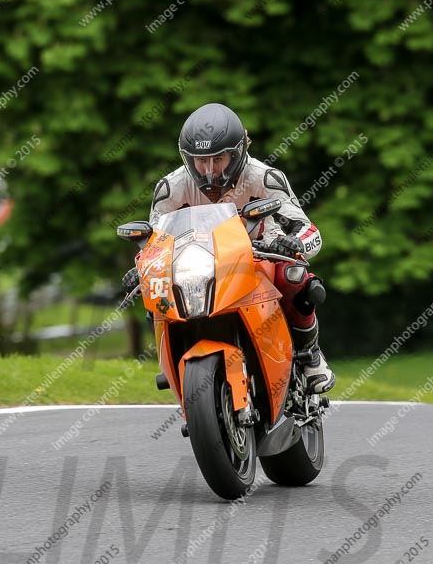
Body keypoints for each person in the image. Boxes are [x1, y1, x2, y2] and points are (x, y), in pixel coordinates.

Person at [123, 103, 334, 394]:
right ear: (188, 159)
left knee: (295, 276)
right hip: (195, 266)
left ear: (237, 153)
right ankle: (173, 364)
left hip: (259, 254)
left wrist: (294, 243)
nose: (209, 171)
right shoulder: (171, 188)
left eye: (218, 159)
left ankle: (310, 354)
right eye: (200, 161)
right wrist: (141, 269)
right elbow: (154, 243)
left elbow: (309, 230)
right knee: (154, 293)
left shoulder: (264, 177)